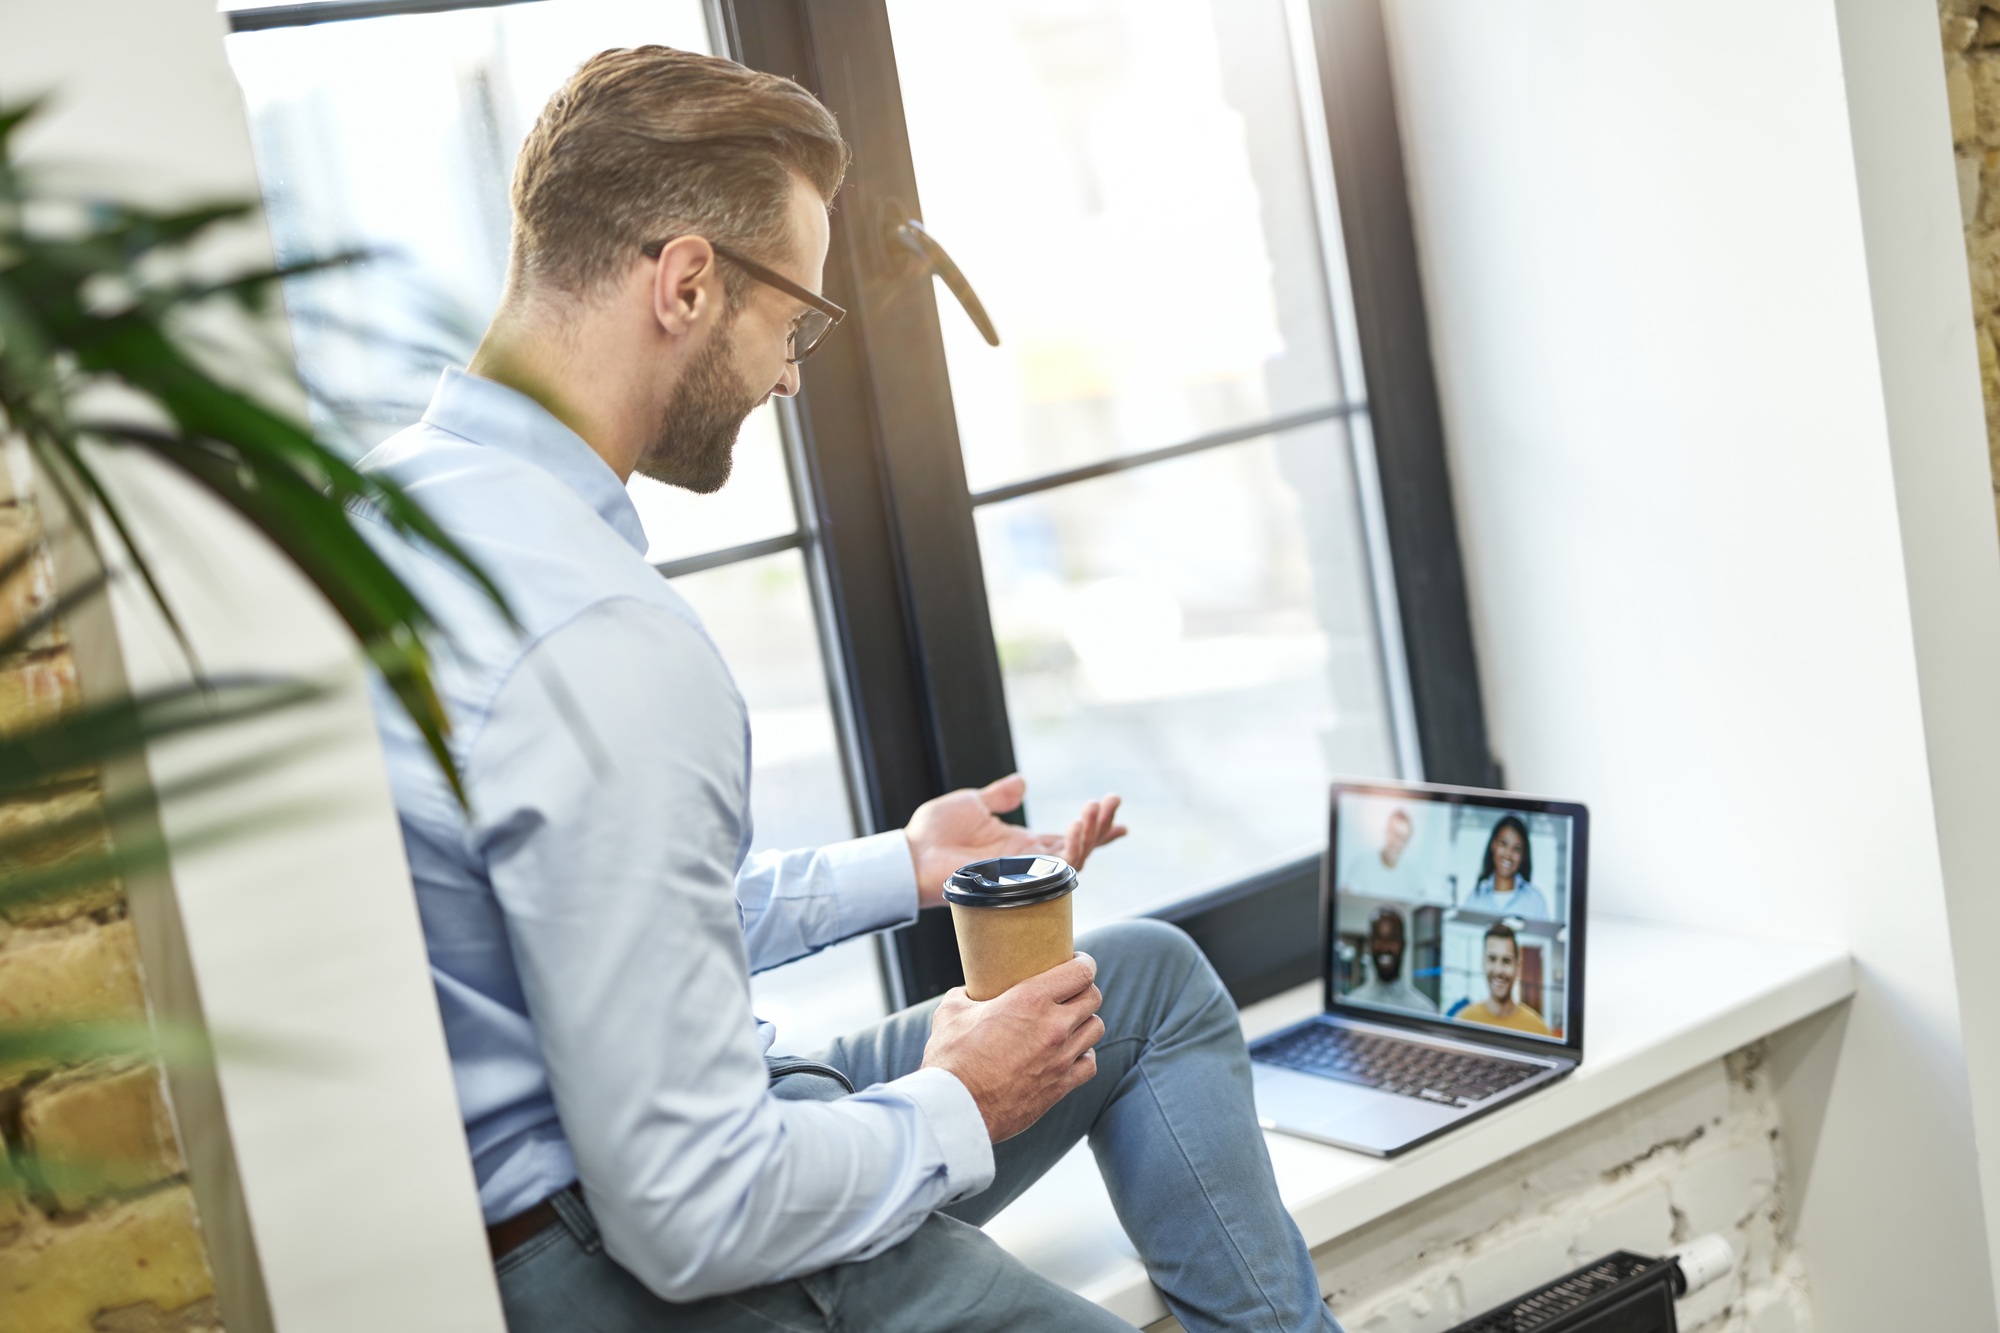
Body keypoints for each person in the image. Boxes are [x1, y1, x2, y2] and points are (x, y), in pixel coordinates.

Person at [353, 45, 1343, 1333]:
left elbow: (606, 916)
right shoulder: (601, 633)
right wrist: (954, 1103)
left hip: (668, 1146)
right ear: (688, 281)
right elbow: (693, 1210)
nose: (793, 371)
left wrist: (911, 865)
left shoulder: (396, 502)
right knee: (1024, 1045)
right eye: (796, 317)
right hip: (634, 1253)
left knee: (1142, 980)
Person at [1456, 925, 1553, 1036]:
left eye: (1506, 961)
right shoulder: (1463, 1021)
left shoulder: (1540, 1031)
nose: (1498, 970)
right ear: (1483, 963)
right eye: (1492, 959)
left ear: (1518, 966)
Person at [1344, 907, 1438, 1014]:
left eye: (1392, 939)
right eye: (1379, 939)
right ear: (1370, 944)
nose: (1385, 947)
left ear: (1403, 945)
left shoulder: (1424, 1011)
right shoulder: (1351, 1003)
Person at [1462, 814, 1554, 918]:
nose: (1508, 854)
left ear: (1523, 855)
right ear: (1493, 845)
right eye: (1503, 844)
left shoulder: (1535, 900)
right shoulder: (1475, 898)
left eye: (1516, 849)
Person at [1343, 806, 1429, 900]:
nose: (1397, 842)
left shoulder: (1412, 877)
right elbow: (1348, 899)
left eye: (1402, 838)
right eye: (1394, 834)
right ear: (1386, 832)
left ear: (1407, 843)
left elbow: (1421, 901)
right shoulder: (1362, 865)